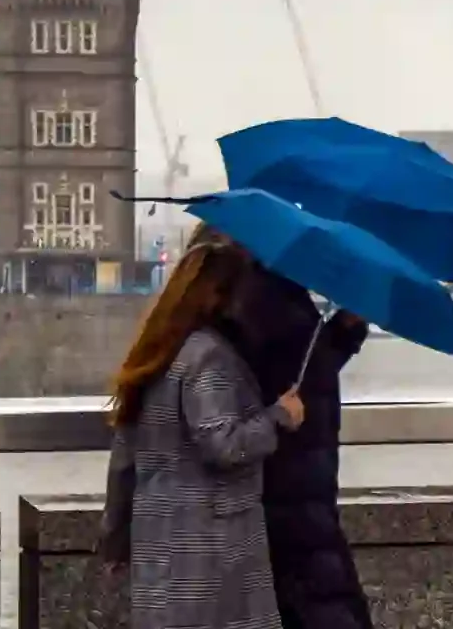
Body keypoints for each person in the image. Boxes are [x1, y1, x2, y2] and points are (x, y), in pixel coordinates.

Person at [98, 230, 307, 629]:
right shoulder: (209, 357)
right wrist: (279, 416)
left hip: (158, 544)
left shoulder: (157, 354)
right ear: (222, 297)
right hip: (211, 550)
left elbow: (124, 457)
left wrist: (116, 536)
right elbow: (222, 444)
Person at [215, 244, 375, 629]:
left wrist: (344, 329)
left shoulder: (276, 291)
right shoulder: (262, 297)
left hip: (302, 492)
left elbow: (302, 375)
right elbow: (281, 382)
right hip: (289, 496)